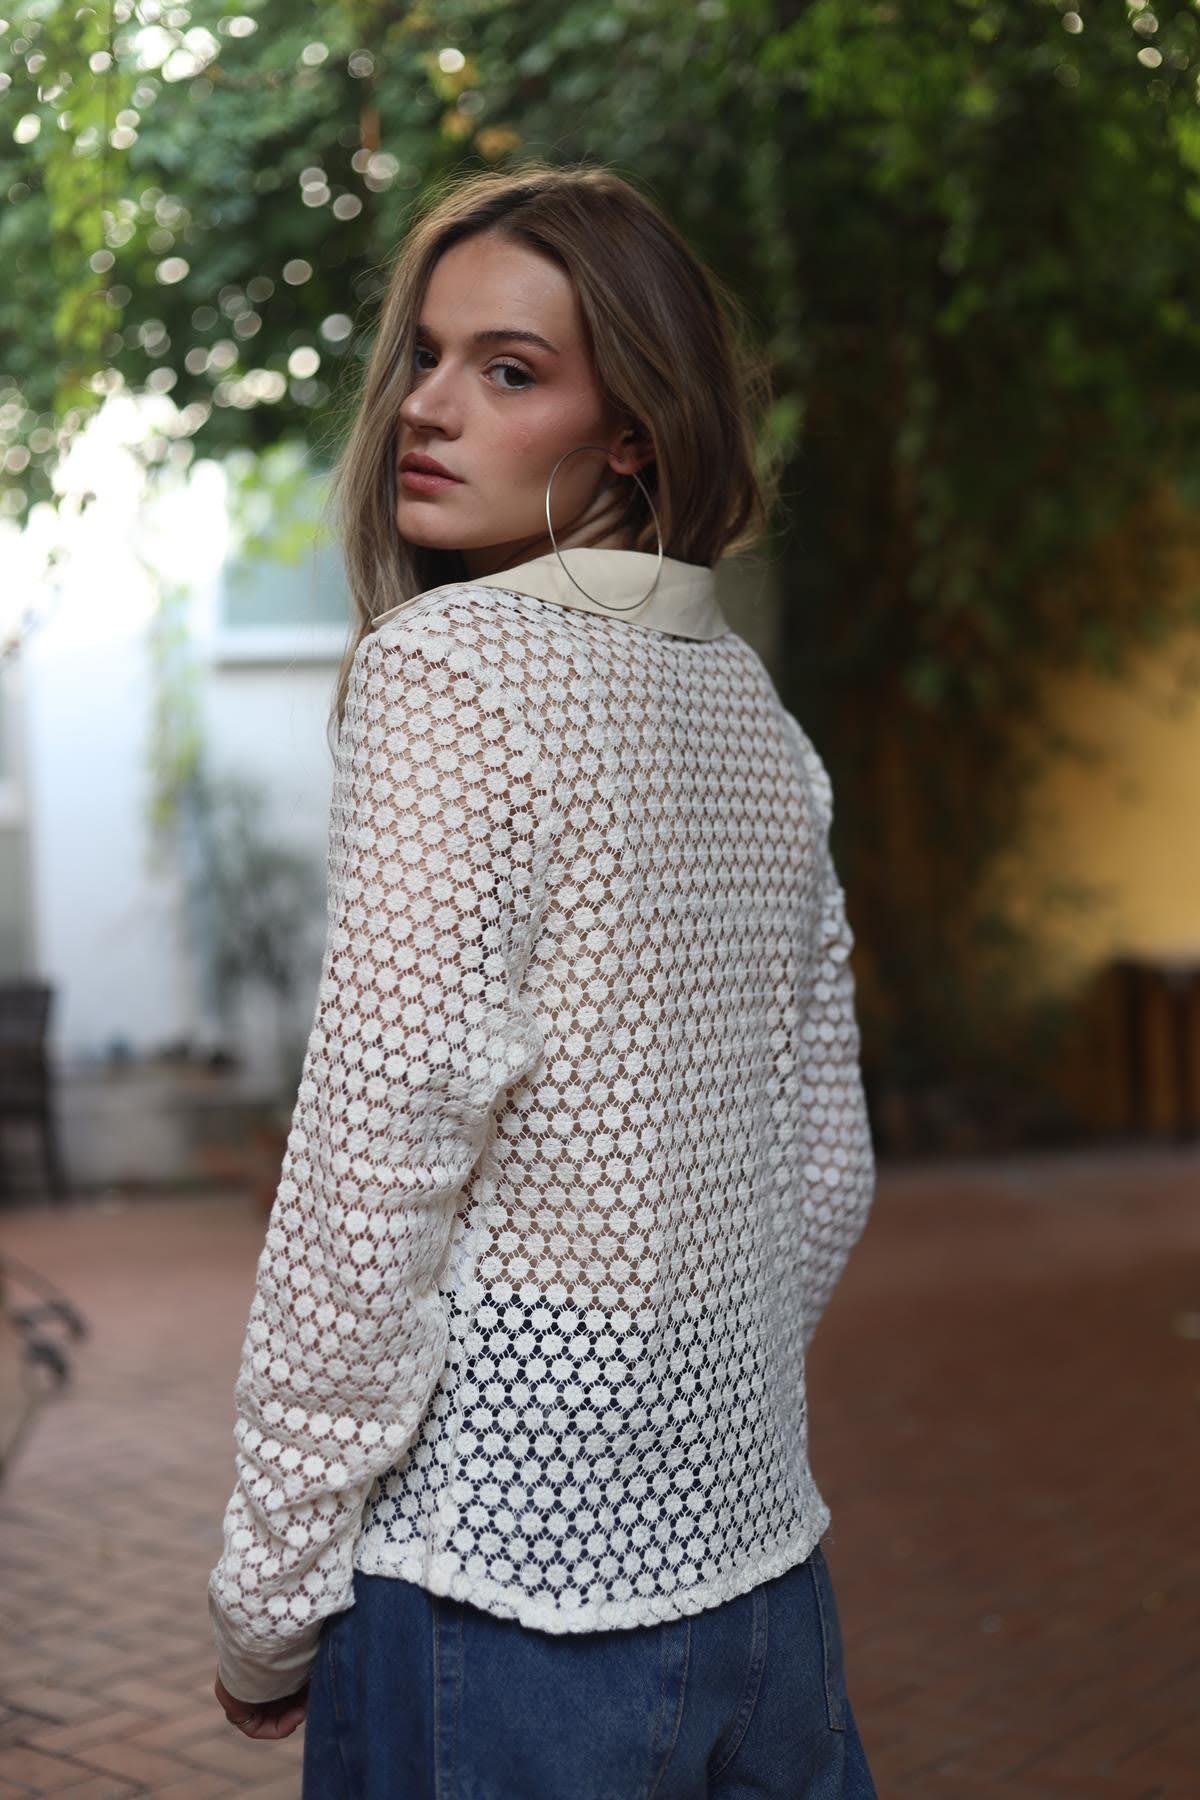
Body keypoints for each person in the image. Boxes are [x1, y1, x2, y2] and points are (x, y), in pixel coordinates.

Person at [207, 159, 879, 1799]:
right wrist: (677, 1414)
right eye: (428, 356)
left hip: (498, 1601)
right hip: (764, 1591)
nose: (427, 408)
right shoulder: (751, 711)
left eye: (510, 372)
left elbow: (373, 1177)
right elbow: (826, 1168)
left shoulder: (452, 669)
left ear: (632, 432)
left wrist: (269, 1600)